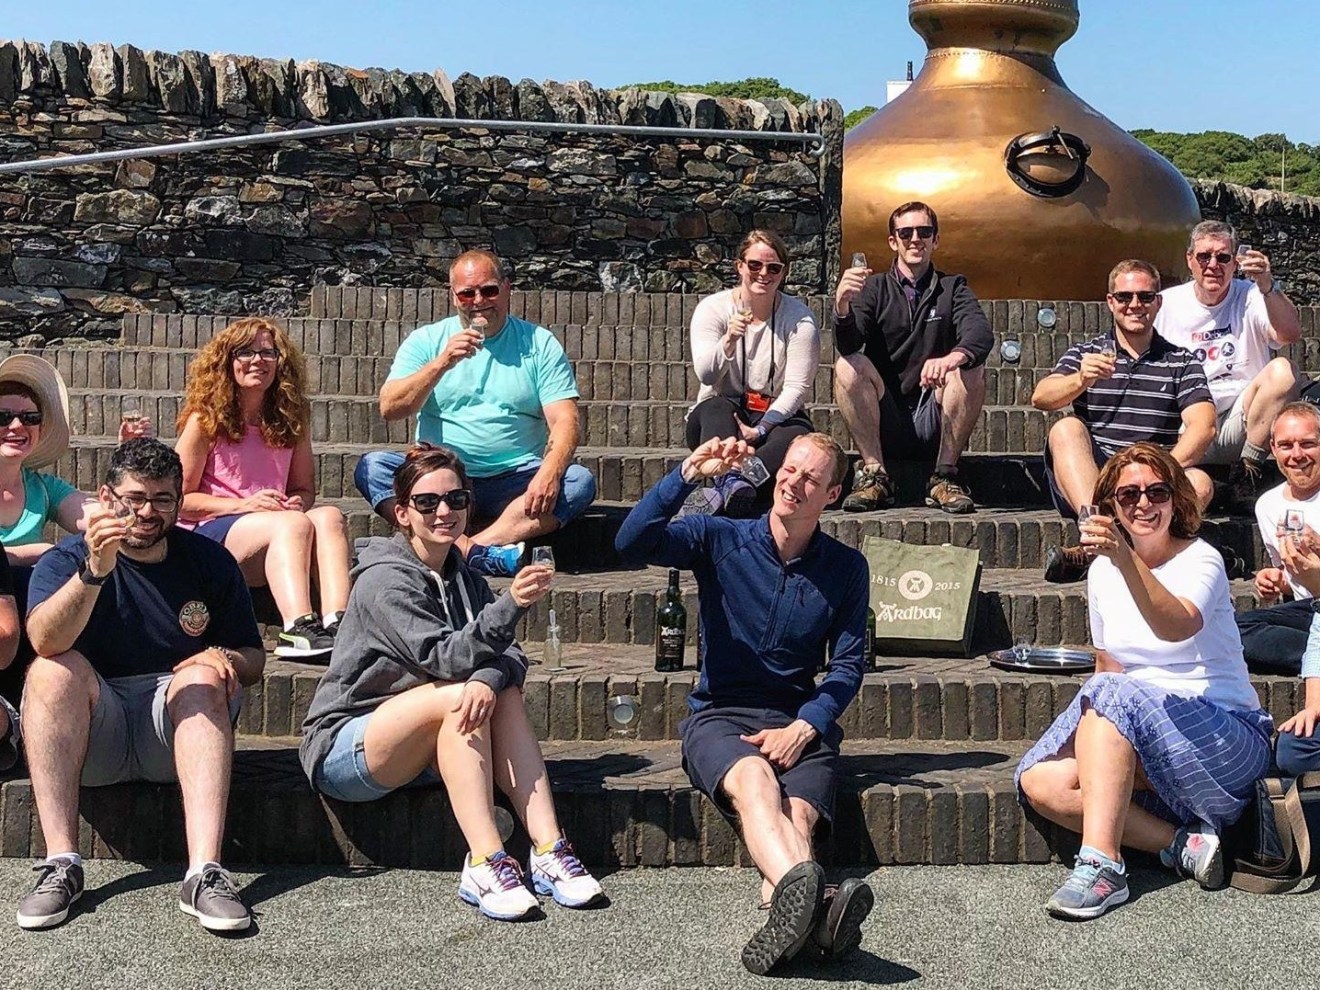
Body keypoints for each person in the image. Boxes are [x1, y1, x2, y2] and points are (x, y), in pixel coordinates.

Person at [301, 443, 602, 920]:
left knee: (496, 690)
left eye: (456, 499)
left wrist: (489, 674)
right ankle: (485, 860)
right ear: (401, 513)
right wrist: (512, 607)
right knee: (467, 692)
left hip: (420, 737)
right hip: (347, 745)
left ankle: (549, 850)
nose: (444, 511)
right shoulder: (384, 581)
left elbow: (510, 656)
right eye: (427, 502)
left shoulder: (462, 574)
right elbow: (443, 657)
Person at [615, 432, 874, 974]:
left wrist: (806, 726)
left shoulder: (846, 567)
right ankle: (822, 910)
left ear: (831, 495)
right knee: (756, 782)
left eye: (811, 478)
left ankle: (793, 919)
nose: (793, 482)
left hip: (800, 720)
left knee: (797, 817)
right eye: (789, 468)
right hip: (720, 715)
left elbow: (847, 667)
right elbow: (631, 543)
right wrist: (686, 475)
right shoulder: (719, 537)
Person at [15, 438, 265, 932]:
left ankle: (204, 874)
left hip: (171, 728)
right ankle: (61, 863)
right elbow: (44, 640)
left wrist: (222, 657)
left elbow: (254, 658)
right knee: (49, 670)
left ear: (178, 500)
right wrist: (94, 573)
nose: (148, 512)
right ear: (106, 498)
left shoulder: (209, 561)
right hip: (93, 730)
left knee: (202, 673)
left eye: (162, 499)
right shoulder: (65, 560)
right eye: (134, 498)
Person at [1017, 443, 1272, 921]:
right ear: (1111, 504)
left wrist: (1124, 560)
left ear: (1176, 499)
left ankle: (1101, 865)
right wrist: (1095, 748)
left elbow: (1175, 624)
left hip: (1227, 740)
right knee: (1041, 780)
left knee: (1112, 696)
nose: (1143, 504)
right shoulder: (1100, 573)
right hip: (1147, 738)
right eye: (1128, 494)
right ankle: (1182, 844)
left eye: (1156, 491)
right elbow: (1107, 667)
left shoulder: (1202, 560)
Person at [353, 249, 595, 575]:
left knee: (579, 482)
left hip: (515, 478)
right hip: (441, 476)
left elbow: (565, 419)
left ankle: (471, 548)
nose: (479, 301)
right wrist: (442, 362)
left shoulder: (539, 343)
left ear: (507, 288)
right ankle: (477, 553)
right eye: (467, 293)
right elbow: (391, 408)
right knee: (372, 467)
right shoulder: (427, 340)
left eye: (489, 290)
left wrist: (550, 472)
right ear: (453, 297)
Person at [0, 354, 149, 769]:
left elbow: (95, 517)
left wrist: (129, 465)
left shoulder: (42, 487)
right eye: (4, 416)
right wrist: (34, 552)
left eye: (29, 417)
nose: (17, 427)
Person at [175, 317, 351, 661]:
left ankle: (339, 623)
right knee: (293, 524)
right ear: (227, 361)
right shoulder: (204, 419)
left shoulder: (291, 418)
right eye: (246, 352)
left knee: (329, 516)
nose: (258, 361)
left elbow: (304, 489)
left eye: (268, 353)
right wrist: (244, 504)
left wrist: (296, 501)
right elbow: (177, 500)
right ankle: (297, 628)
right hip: (210, 537)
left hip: (274, 531)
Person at [1034, 260, 1216, 583]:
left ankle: (1097, 550)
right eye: (1125, 297)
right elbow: (1041, 397)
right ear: (1110, 302)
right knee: (1065, 428)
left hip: (1157, 475)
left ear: (1158, 302)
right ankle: (1099, 532)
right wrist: (1080, 379)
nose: (1135, 305)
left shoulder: (1181, 360)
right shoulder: (1087, 353)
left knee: (1201, 483)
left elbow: (1204, 426)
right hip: (1099, 480)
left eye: (1146, 297)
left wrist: (1160, 474)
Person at [832, 201, 992, 514]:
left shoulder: (952, 287)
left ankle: (945, 476)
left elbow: (980, 335)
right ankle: (874, 475)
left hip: (935, 416)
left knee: (971, 367)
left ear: (936, 239)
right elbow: (849, 343)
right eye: (906, 232)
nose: (915, 238)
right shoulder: (874, 288)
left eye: (924, 231)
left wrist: (951, 359)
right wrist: (841, 308)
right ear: (894, 241)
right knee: (848, 364)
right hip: (887, 415)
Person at [1154, 220, 1302, 513]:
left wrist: (1268, 285)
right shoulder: (1167, 304)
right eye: (1204, 256)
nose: (1213, 265)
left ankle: (1247, 472)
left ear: (1236, 262)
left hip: (1242, 423)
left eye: (1223, 257)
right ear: (1189, 260)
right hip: (1188, 425)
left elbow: (1289, 334)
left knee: (1284, 371)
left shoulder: (1252, 295)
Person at [681, 230, 820, 518]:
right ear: (740, 266)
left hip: (775, 414)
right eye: (755, 265)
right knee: (716, 407)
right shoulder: (713, 309)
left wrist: (761, 428)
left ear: (784, 273)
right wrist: (729, 341)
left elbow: (796, 388)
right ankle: (732, 482)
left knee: (797, 434)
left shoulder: (800, 318)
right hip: (720, 416)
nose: (763, 274)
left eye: (773, 268)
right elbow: (707, 376)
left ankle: (734, 485)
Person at [1235, 402, 1320, 673]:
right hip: (1308, 611)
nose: (1297, 455)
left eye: (1307, 444)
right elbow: (1293, 581)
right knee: (1234, 630)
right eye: (1286, 445)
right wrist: (1276, 581)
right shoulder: (1268, 504)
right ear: (1273, 449)